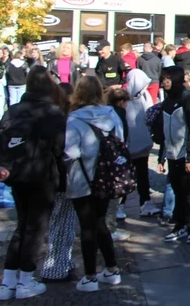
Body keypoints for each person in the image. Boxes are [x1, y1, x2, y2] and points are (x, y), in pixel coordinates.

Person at [0, 66, 65, 300]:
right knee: (36, 228)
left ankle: (7, 282)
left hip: (16, 175)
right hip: (42, 175)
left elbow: (0, 139)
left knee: (21, 226)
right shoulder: (52, 112)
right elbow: (59, 148)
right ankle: (25, 280)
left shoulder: (13, 110)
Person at [64, 76, 125, 293]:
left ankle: (90, 276)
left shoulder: (74, 119)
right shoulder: (111, 114)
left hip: (82, 179)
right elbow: (121, 143)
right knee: (100, 223)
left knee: (87, 227)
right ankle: (111, 268)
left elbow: (70, 152)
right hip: (107, 178)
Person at [156, 67, 190, 244]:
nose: (165, 81)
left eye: (168, 78)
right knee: (177, 191)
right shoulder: (167, 100)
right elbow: (164, 131)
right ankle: (180, 225)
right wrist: (162, 156)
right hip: (173, 154)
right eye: (163, 78)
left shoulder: (187, 98)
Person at [40, 82, 76, 282]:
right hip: (61, 179)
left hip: (48, 178)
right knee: (61, 223)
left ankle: (64, 262)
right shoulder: (63, 120)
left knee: (61, 223)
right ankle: (54, 268)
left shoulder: (48, 117)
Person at [122, 70, 158, 217]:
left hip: (142, 143)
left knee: (142, 174)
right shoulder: (124, 98)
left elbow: (149, 114)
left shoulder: (144, 95)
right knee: (124, 176)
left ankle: (145, 202)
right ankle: (121, 205)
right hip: (128, 144)